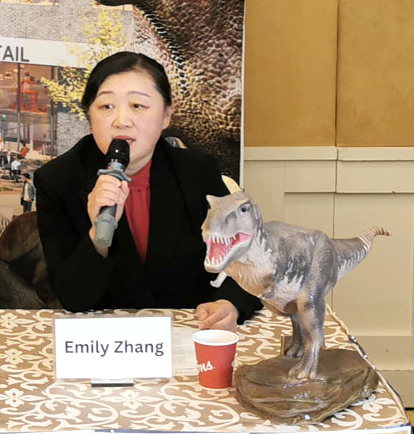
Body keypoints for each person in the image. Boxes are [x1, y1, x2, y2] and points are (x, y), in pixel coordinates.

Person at [34, 52, 261, 330]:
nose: (121, 120)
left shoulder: (196, 171)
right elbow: (72, 297)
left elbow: (246, 260)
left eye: (138, 106)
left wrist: (230, 303)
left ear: (166, 115)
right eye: (106, 106)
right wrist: (97, 236)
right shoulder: (58, 180)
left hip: (188, 330)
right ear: (89, 115)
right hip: (103, 338)